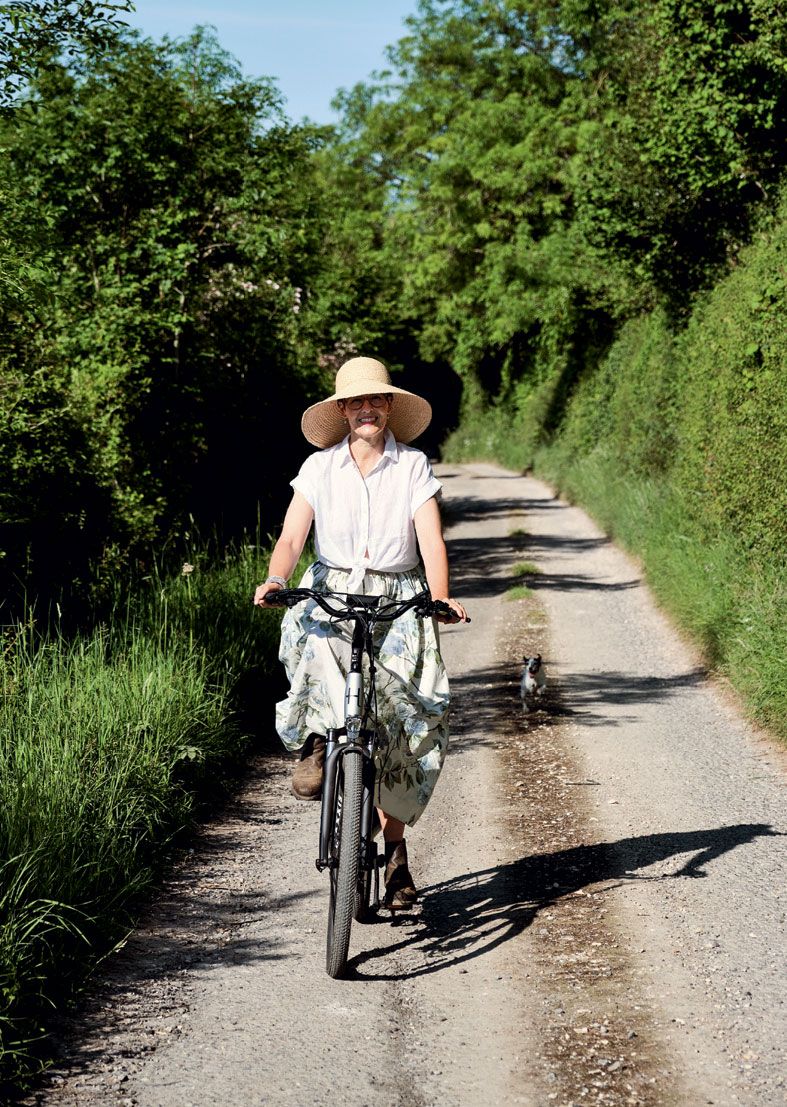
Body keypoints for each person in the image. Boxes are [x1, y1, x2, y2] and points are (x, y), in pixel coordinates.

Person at [253, 356, 467, 909]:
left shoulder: (413, 466)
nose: (366, 409)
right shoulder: (319, 469)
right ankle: (319, 742)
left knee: (407, 719)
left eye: (376, 401)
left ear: (389, 407)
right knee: (314, 640)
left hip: (397, 596)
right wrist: (277, 578)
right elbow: (292, 536)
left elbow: (431, 543)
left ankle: (395, 856)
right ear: (342, 411)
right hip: (333, 589)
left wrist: (439, 596)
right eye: (355, 402)